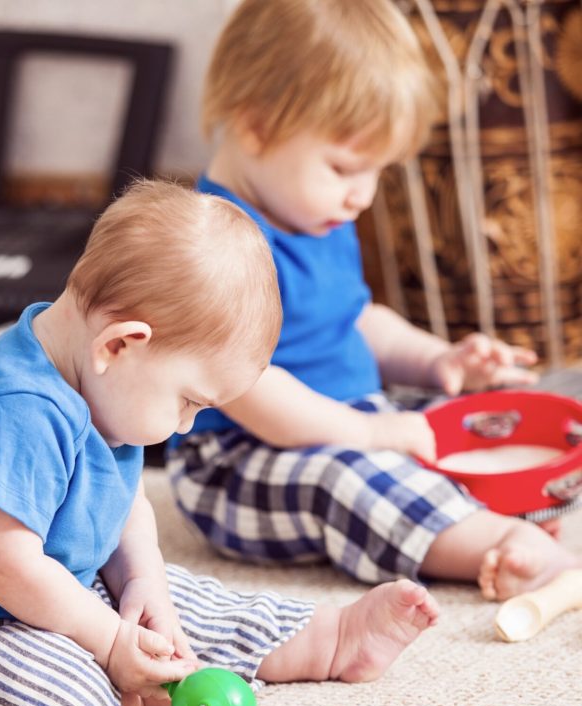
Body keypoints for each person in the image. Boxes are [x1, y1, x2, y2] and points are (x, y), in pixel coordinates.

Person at [0, 180, 439, 706]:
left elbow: (123, 504)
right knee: (54, 696)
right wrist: (107, 643)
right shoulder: (19, 410)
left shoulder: (102, 386)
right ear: (121, 345)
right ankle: (123, 689)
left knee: (181, 605)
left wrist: (143, 586)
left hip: (50, 591)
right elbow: (3, 562)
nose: (184, 426)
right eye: (188, 402)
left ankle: (328, 640)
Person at [166, 0, 581, 603]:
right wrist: (373, 432)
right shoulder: (214, 244)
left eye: (377, 172)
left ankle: (493, 504)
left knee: (478, 415)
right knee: (350, 478)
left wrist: (439, 360)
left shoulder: (317, 216)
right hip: (237, 459)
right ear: (255, 125)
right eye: (343, 167)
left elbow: (357, 318)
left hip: (347, 412)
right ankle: (491, 545)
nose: (362, 195)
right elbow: (255, 394)